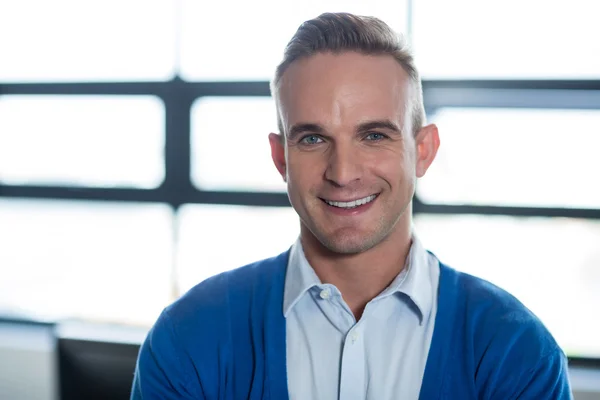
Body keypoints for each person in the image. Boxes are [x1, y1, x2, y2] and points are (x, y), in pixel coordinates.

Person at [131, 12, 572, 400]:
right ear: (281, 157)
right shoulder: (189, 336)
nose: (343, 173)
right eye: (313, 138)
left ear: (423, 151)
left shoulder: (516, 351)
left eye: (374, 135)